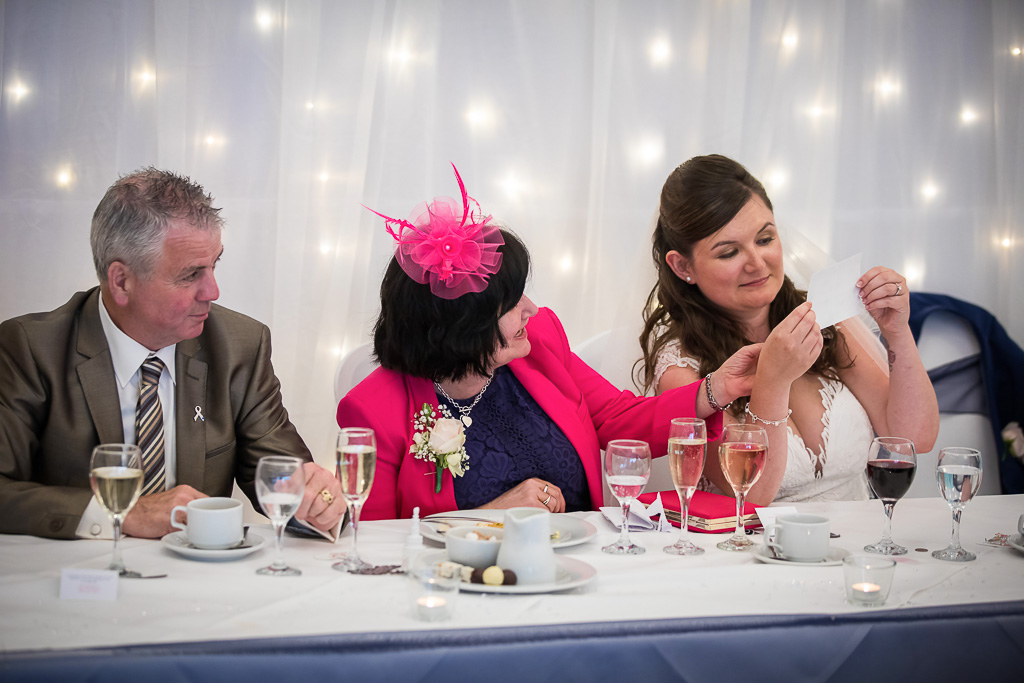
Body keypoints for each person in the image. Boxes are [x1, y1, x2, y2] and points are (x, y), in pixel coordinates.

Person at [337, 165, 761, 520]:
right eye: (510, 304)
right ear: (461, 326)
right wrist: (491, 516)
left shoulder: (539, 342)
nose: (531, 309)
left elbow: (619, 418)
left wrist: (716, 388)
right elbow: (376, 544)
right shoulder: (374, 409)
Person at [0, 168, 345, 539]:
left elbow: (282, 477)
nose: (212, 291)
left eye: (214, 265)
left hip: (198, 573)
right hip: (78, 571)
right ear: (121, 282)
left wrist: (312, 501)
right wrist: (123, 514)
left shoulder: (239, 346)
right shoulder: (31, 348)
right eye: (190, 274)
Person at [639, 154, 939, 504]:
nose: (757, 263)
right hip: (754, 538)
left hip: (858, 535)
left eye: (765, 239)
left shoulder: (823, 321)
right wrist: (773, 378)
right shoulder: (680, 370)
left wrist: (897, 332)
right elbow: (752, 493)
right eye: (729, 252)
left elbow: (912, 440)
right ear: (682, 266)